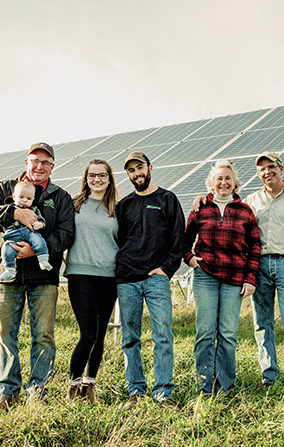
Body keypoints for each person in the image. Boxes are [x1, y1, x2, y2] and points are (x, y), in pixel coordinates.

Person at [193, 151, 284, 390]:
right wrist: (203, 198)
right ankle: (269, 376)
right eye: (261, 168)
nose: (267, 172)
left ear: (281, 168)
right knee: (262, 323)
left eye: (271, 166)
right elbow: (229, 209)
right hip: (257, 266)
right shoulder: (251, 201)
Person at [0, 142, 75, 414]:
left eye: (45, 162)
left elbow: (67, 234)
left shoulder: (60, 196)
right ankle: (7, 392)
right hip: (7, 277)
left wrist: (36, 249)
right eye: (34, 161)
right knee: (6, 335)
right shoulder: (5, 189)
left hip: (43, 276)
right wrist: (13, 211)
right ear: (26, 162)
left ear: (52, 166)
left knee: (43, 335)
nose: (39, 166)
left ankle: (37, 391)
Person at [184, 159, 261, 395]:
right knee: (205, 332)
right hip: (205, 276)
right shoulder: (200, 208)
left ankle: (225, 385)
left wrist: (250, 278)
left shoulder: (246, 211)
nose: (223, 182)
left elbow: (255, 246)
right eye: (219, 178)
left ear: (235, 183)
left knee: (228, 334)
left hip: (234, 279)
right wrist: (189, 258)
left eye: (228, 178)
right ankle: (205, 385)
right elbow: (184, 240)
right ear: (211, 182)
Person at [116, 151, 185, 411]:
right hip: (127, 279)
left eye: (140, 168)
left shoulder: (167, 199)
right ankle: (135, 390)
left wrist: (166, 269)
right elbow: (119, 240)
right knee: (130, 338)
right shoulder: (124, 205)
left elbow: (178, 238)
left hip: (156, 279)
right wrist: (124, 268)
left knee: (163, 335)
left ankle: (163, 392)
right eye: (131, 170)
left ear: (150, 168)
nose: (137, 173)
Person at [64, 159, 119, 402]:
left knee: (100, 335)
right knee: (88, 333)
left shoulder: (118, 208)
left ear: (109, 178)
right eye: (92, 175)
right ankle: (73, 386)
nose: (97, 179)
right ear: (86, 178)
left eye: (102, 175)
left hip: (109, 277)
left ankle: (90, 386)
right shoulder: (73, 205)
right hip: (80, 275)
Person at [0, 180, 52, 281]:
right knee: (6, 250)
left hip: (30, 233)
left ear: (33, 199)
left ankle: (43, 260)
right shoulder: (8, 209)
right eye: (21, 197)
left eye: (28, 198)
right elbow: (0, 217)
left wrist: (39, 224)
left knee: (39, 242)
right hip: (13, 235)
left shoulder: (34, 210)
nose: (24, 200)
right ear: (14, 197)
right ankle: (10, 270)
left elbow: (42, 220)